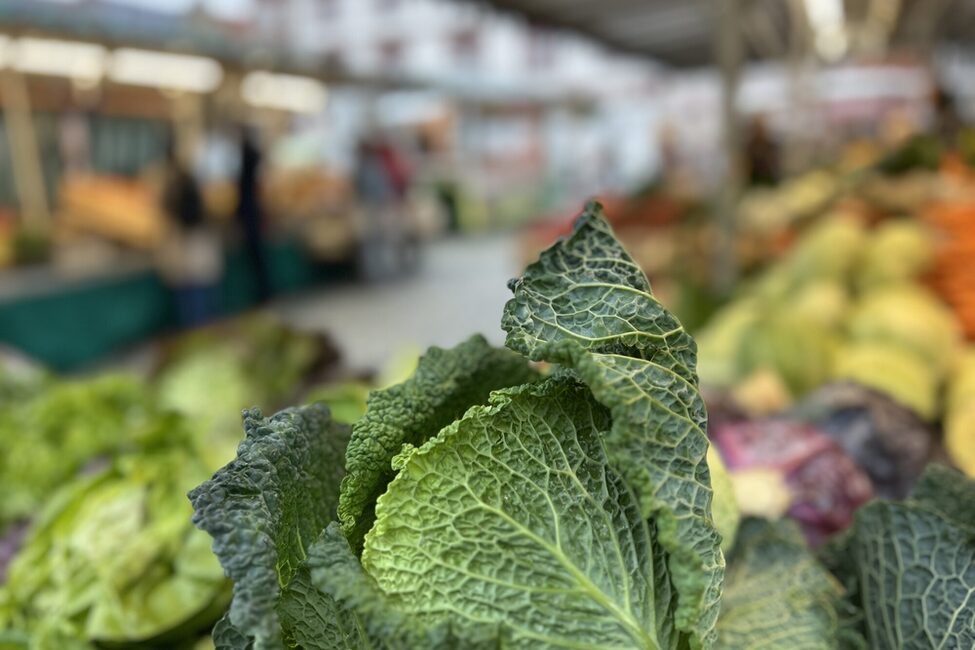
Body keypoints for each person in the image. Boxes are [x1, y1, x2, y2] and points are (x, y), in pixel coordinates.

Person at [158, 136, 222, 327]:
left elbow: (177, 212)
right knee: (198, 297)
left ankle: (198, 328)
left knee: (193, 300)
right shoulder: (186, 182)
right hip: (193, 251)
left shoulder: (177, 185)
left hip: (189, 250)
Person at [236, 125, 270, 303]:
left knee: (257, 256)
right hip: (252, 214)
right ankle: (264, 291)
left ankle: (263, 292)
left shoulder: (247, 162)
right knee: (258, 257)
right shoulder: (252, 163)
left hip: (251, 215)